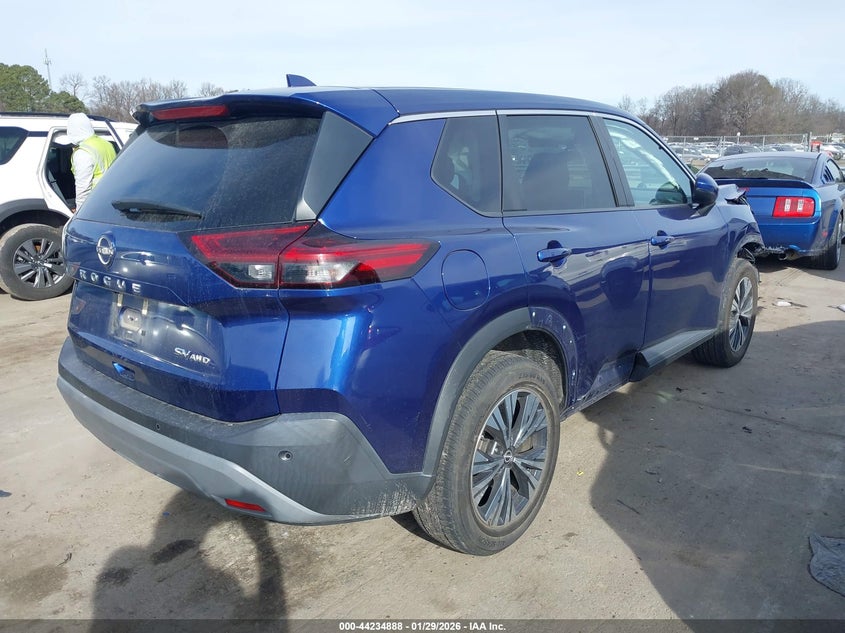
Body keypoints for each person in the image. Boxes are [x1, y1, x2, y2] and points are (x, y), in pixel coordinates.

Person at [65, 112, 117, 212]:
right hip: (111, 199)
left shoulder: (83, 152)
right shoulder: (107, 144)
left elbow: (83, 187)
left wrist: (80, 212)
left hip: (95, 203)